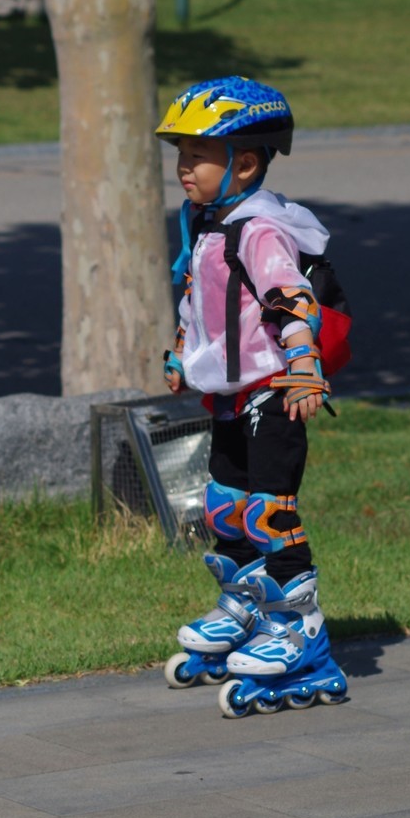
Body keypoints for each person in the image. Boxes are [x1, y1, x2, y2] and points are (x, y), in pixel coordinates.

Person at [159, 76, 349, 717]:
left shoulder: (261, 230)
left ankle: (299, 630)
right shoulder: (207, 224)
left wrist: (303, 364)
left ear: (244, 162)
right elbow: (199, 300)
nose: (183, 168)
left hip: (274, 389)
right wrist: (182, 355)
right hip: (231, 393)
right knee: (225, 505)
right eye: (179, 154)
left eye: (196, 156)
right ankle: (244, 610)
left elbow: (289, 300)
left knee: (271, 510)